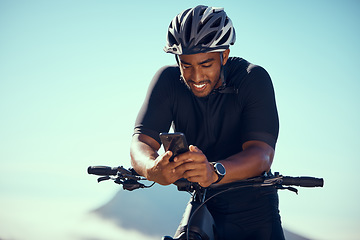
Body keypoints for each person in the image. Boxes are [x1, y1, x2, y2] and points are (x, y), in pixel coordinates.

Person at [130, 5, 285, 240]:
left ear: (224, 55)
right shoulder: (167, 81)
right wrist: (152, 169)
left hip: (255, 212)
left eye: (206, 64)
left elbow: (261, 154)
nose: (196, 77)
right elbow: (140, 142)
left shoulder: (253, 79)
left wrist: (214, 171)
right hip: (203, 204)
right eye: (186, 65)